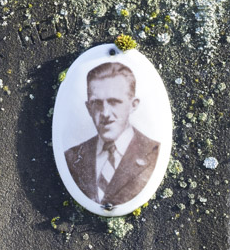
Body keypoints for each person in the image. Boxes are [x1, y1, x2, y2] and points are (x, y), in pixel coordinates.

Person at [64, 61, 160, 210]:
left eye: (114, 102)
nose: (105, 113)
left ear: (133, 105)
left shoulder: (154, 154)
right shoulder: (71, 157)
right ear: (88, 108)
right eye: (96, 103)